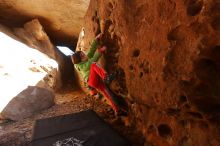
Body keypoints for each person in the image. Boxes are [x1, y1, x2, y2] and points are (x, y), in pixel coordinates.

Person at [71, 33, 120, 115]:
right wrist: (100, 51)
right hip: (91, 81)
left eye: (83, 54)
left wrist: (96, 40)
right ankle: (106, 77)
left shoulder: (85, 59)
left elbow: (91, 50)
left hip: (96, 81)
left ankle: (117, 110)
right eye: (82, 56)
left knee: (107, 93)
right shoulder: (81, 66)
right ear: (79, 61)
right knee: (93, 64)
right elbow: (90, 63)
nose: (84, 55)